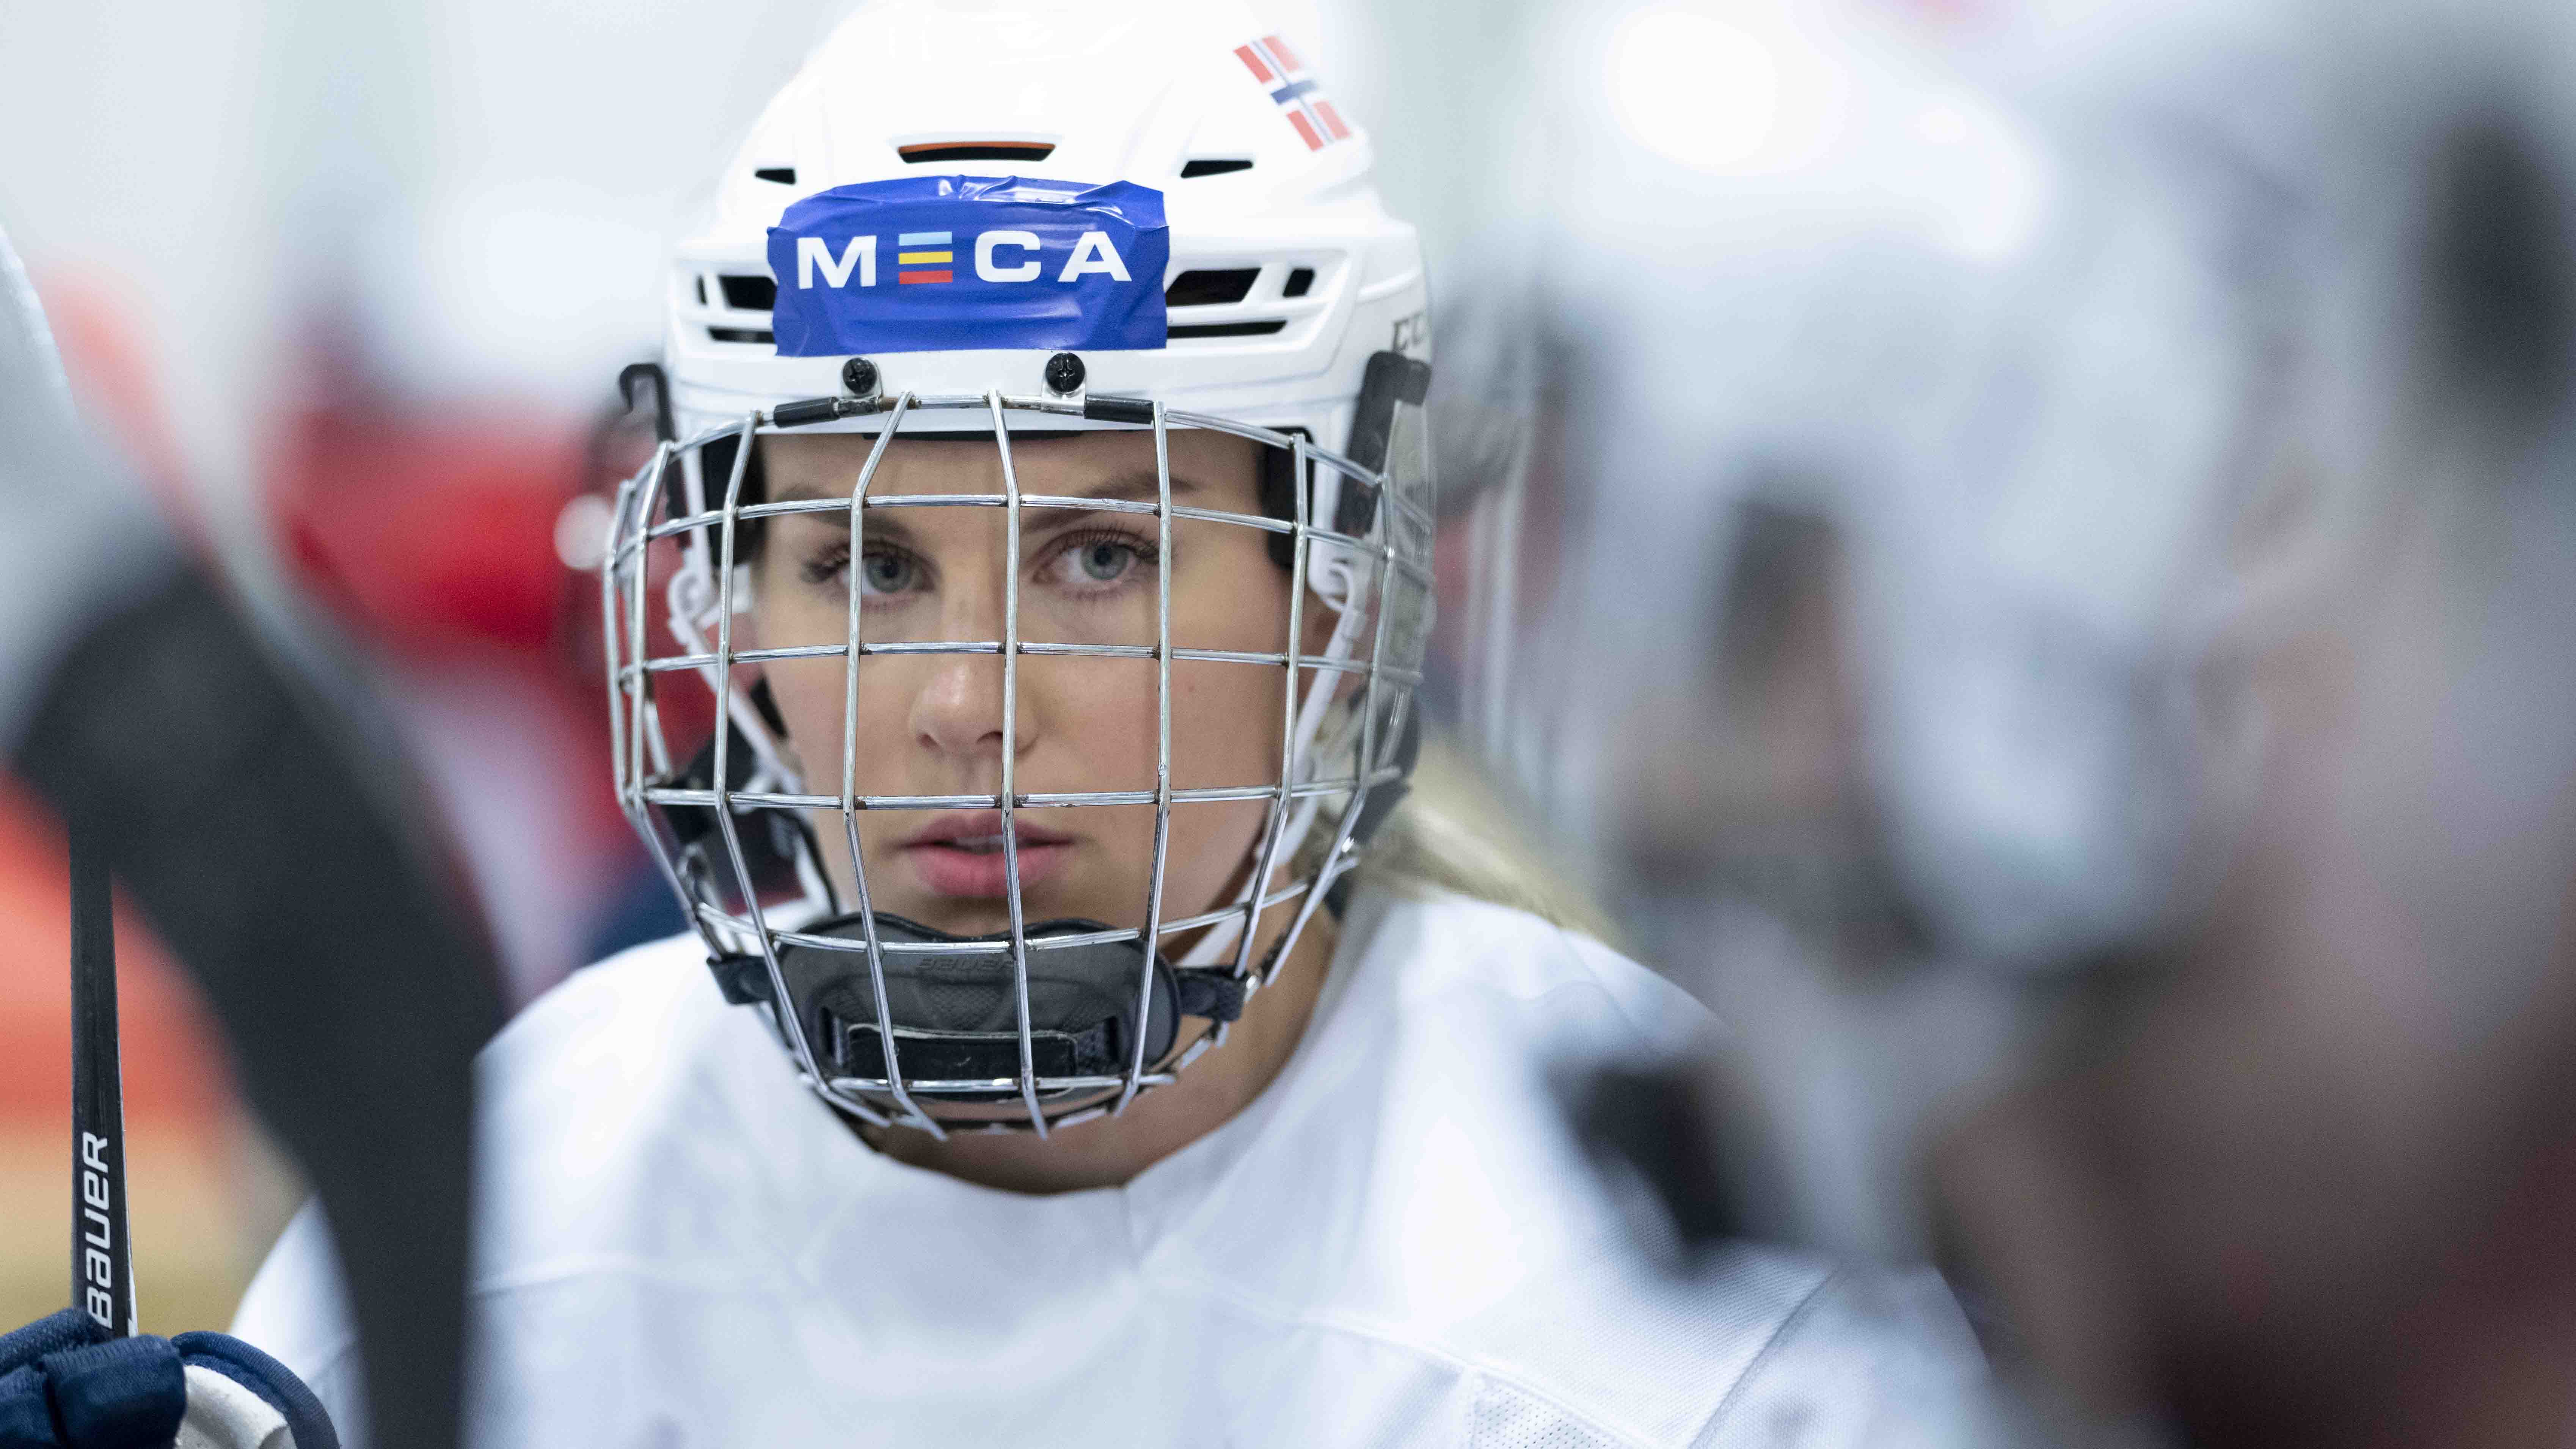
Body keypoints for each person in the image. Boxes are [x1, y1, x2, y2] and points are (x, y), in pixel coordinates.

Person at [229, 2, 1988, 1443]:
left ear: (1341, 592)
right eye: (863, 561)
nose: (965, 707)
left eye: (1097, 550)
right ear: (726, 602)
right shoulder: (503, 1211)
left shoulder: (1669, 1289)